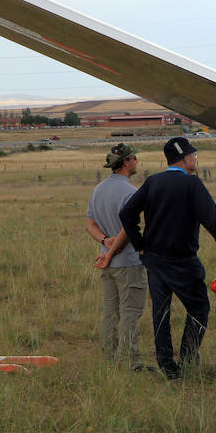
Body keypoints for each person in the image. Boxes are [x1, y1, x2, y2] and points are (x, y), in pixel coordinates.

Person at [119, 136, 216, 379]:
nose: (196, 158)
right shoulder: (192, 185)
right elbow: (214, 223)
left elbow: (127, 212)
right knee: (199, 307)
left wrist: (140, 245)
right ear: (185, 158)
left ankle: (168, 367)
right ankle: (189, 359)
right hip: (182, 261)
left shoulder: (153, 182)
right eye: (194, 154)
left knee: (161, 313)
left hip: (154, 260)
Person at [85, 143, 148, 370]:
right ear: (125, 163)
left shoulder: (98, 189)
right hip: (127, 263)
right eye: (134, 158)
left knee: (110, 311)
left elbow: (89, 223)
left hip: (106, 263)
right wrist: (113, 247)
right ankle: (130, 362)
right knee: (130, 312)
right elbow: (128, 228)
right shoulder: (131, 192)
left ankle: (110, 359)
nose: (137, 162)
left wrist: (104, 242)